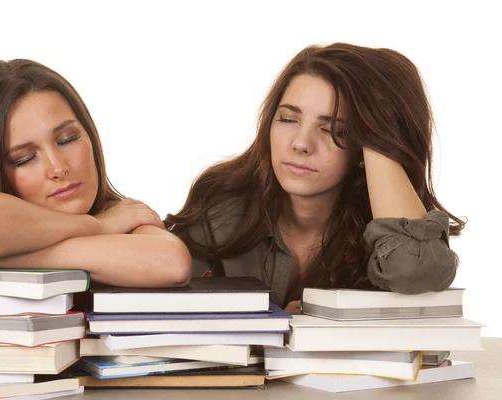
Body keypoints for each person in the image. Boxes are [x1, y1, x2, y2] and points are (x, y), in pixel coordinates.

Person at [165, 43, 464, 313]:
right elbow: (162, 312)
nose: (301, 143)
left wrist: (378, 134)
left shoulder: (386, 221)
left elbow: (415, 271)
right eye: (287, 119)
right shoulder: (221, 202)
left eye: (334, 130)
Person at [0, 59, 192, 305]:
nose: (58, 168)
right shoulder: (112, 221)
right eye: (24, 158)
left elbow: (171, 264)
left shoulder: (125, 216)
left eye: (67, 139)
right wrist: (97, 227)